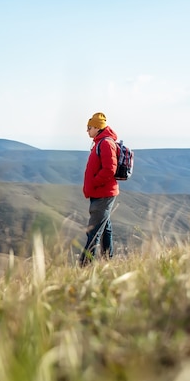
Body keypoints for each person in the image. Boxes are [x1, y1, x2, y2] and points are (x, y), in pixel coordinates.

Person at [80, 112, 119, 267]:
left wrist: (94, 183)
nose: (87, 130)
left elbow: (110, 169)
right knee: (105, 229)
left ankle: (85, 266)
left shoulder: (105, 143)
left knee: (93, 231)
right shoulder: (100, 142)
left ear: (97, 127)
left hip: (103, 193)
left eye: (89, 127)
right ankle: (108, 260)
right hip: (101, 192)